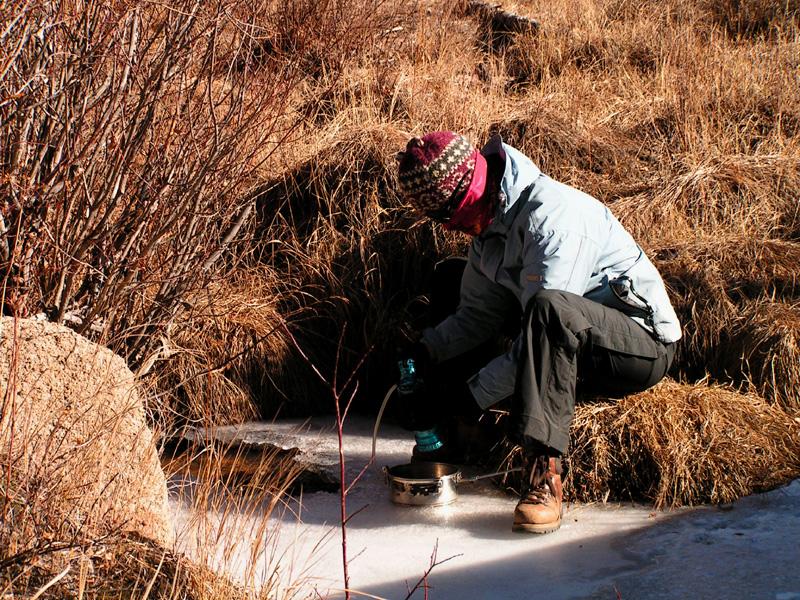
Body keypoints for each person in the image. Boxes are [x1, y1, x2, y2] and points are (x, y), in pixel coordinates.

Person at [394, 131, 681, 534]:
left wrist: (467, 397)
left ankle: (544, 481)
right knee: (451, 278)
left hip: (639, 344)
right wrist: (425, 353)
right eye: (447, 221)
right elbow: (477, 314)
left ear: (478, 186)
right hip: (572, 332)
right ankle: (452, 440)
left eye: (459, 215)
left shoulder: (553, 220)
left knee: (549, 310)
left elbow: (543, 331)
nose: (459, 228)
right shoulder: (490, 226)